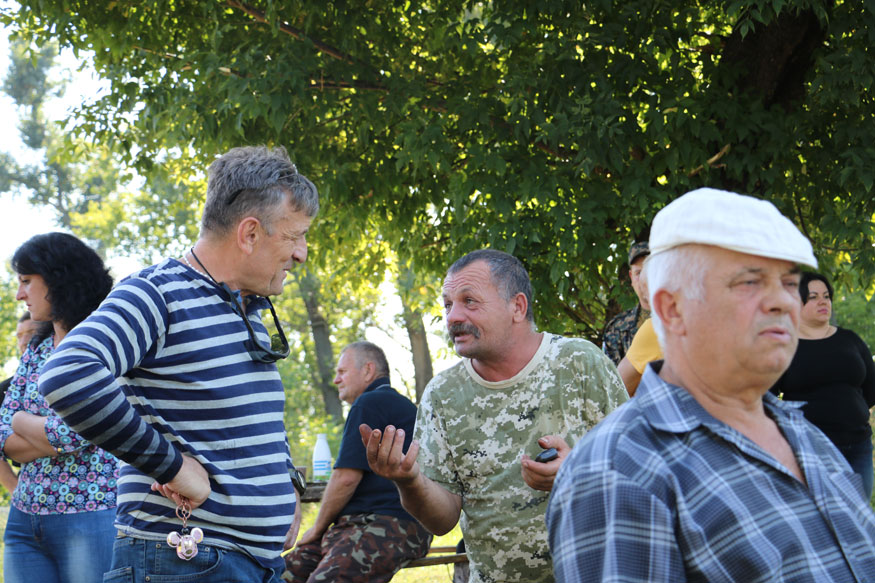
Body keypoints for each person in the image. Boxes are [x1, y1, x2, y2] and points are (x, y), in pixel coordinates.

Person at [548, 188, 875, 582]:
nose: (783, 302)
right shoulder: (621, 471)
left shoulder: (806, 436)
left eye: (790, 283)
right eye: (750, 282)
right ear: (672, 308)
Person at [39, 146, 318, 583]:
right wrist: (172, 467)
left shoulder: (249, 310)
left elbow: (251, 418)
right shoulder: (156, 295)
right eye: (294, 235)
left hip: (246, 563)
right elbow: (67, 374)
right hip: (185, 561)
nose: (301, 253)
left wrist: (287, 486)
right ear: (249, 233)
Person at [361, 249, 628, 583]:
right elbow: (443, 519)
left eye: (469, 301)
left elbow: (642, 467)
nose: (453, 316)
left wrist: (578, 471)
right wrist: (409, 480)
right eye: (448, 304)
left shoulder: (580, 362)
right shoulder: (443, 394)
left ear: (517, 307)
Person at [0, 232, 118, 583]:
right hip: (25, 518)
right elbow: (3, 425)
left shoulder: (105, 341)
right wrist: (37, 431)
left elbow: (76, 430)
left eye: (26, 282)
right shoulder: (37, 347)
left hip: (90, 515)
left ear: (58, 277)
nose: (20, 294)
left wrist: (23, 421)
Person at [286, 342, 432, 582]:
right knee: (279, 575)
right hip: (356, 526)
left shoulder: (370, 402)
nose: (336, 380)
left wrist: (316, 529)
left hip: (390, 524)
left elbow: (346, 479)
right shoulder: (390, 405)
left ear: (368, 370)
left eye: (342, 372)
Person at [771, 272, 875, 498]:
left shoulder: (850, 340)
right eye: (813, 297)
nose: (822, 301)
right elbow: (767, 398)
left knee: (857, 517)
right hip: (809, 450)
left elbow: (871, 388)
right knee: (820, 520)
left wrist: (848, 411)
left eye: (826, 296)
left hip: (857, 445)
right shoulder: (784, 345)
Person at [0, 312, 44, 494]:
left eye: (32, 332)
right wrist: (16, 492)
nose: (24, 340)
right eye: (19, 335)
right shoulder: (4, 389)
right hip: (28, 486)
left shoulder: (65, 380)